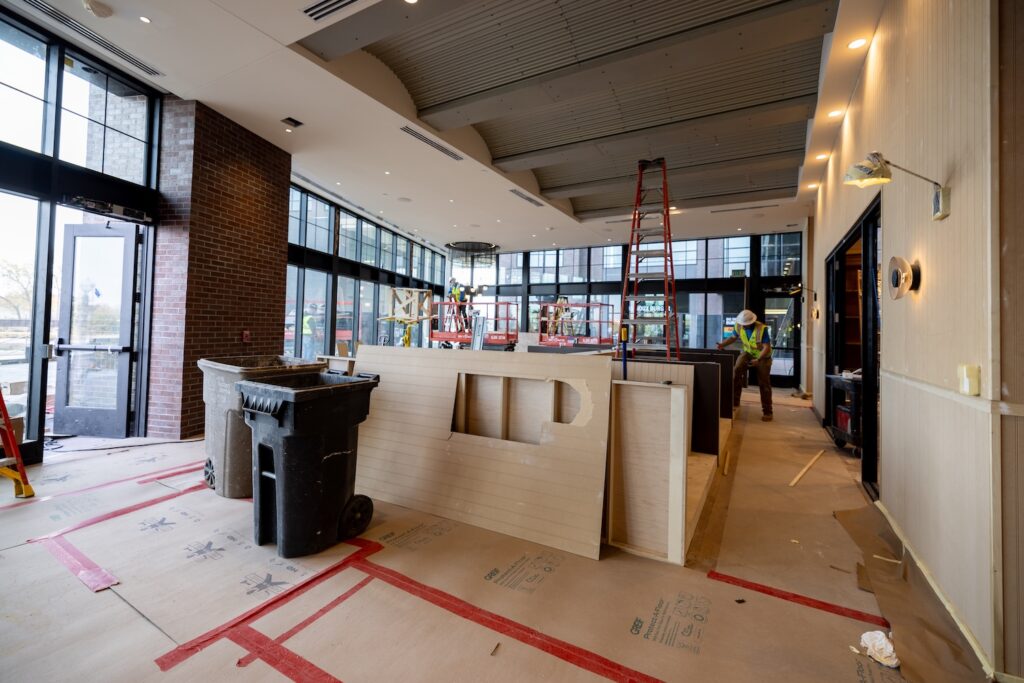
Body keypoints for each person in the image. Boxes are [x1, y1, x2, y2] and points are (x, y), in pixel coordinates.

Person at [717, 309, 773, 421]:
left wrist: (758, 359)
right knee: (736, 370)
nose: (744, 326)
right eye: (743, 324)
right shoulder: (738, 326)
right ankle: (735, 402)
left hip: (763, 357)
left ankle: (767, 412)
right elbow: (733, 338)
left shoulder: (762, 329)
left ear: (752, 322)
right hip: (748, 353)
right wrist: (722, 344)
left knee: (764, 383)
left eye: (746, 325)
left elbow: (766, 347)